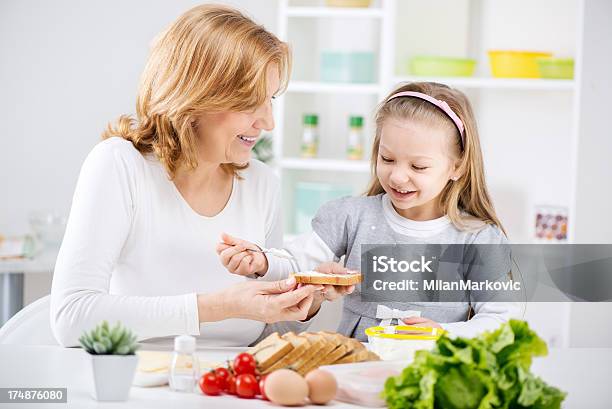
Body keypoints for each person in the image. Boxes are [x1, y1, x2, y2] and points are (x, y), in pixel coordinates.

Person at [50, 4, 332, 348]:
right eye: (249, 102)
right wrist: (220, 306)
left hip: (229, 395)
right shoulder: (121, 165)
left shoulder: (262, 184)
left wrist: (305, 305)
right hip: (135, 391)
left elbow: (264, 336)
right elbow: (72, 318)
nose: (267, 122)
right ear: (195, 95)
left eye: (270, 99)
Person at [219, 81, 522, 340]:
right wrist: (261, 261)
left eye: (418, 166)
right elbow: (298, 262)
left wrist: (442, 333)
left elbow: (503, 319)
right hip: (355, 368)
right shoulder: (350, 216)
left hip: (434, 373)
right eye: (387, 158)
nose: (398, 176)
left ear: (457, 167)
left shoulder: (478, 240)